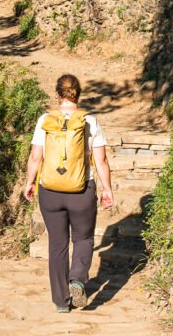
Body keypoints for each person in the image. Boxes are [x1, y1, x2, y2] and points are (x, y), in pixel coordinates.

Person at [22, 74, 114, 312]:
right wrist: (107, 190)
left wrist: (30, 182)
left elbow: (35, 156)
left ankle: (61, 302)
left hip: (50, 190)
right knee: (83, 238)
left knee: (57, 244)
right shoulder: (90, 121)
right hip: (82, 190)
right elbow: (101, 161)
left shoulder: (45, 120)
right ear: (78, 95)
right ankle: (77, 279)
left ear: (57, 95)